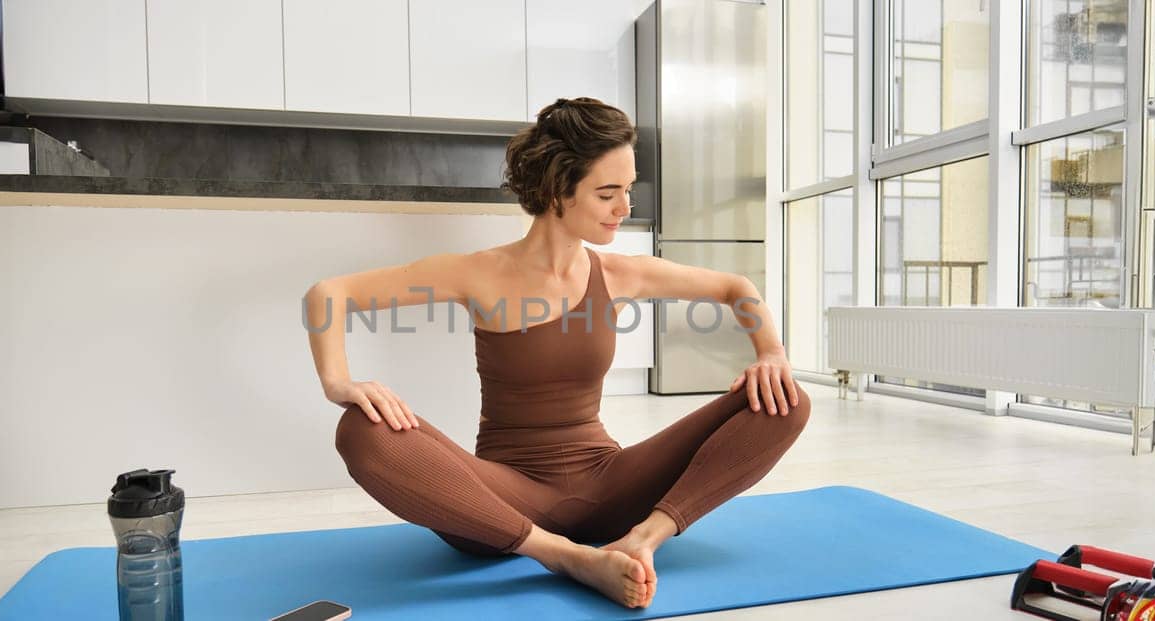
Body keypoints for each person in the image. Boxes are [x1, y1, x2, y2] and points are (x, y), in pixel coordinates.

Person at [302, 97, 811, 609]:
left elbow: (736, 287)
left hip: (611, 489)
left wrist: (771, 352)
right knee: (361, 430)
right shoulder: (480, 273)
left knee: (786, 400)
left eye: (628, 190)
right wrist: (338, 381)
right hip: (500, 501)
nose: (625, 209)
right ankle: (566, 557)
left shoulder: (617, 273)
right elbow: (329, 294)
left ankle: (644, 540)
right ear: (555, 189)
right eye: (607, 193)